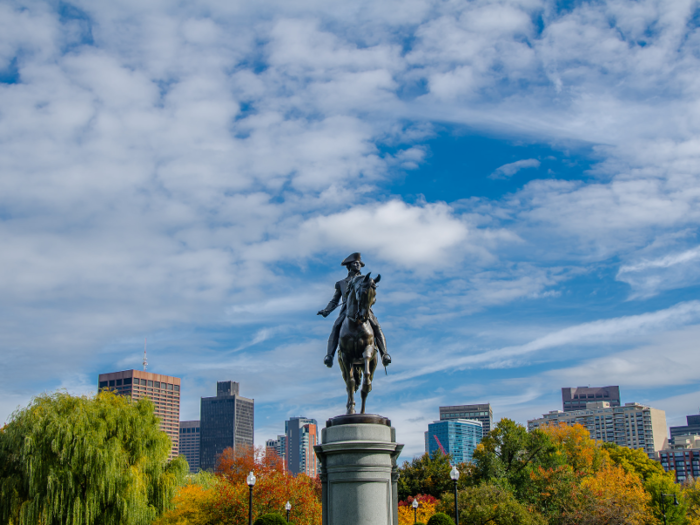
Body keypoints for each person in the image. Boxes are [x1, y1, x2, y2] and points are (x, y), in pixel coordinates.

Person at [317, 253, 391, 368]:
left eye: (359, 263)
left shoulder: (365, 280)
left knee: (376, 326)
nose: (357, 265)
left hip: (364, 310)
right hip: (347, 311)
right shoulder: (341, 283)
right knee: (336, 326)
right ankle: (329, 356)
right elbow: (334, 300)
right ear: (349, 266)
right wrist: (326, 311)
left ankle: (384, 354)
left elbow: (370, 295)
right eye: (355, 263)